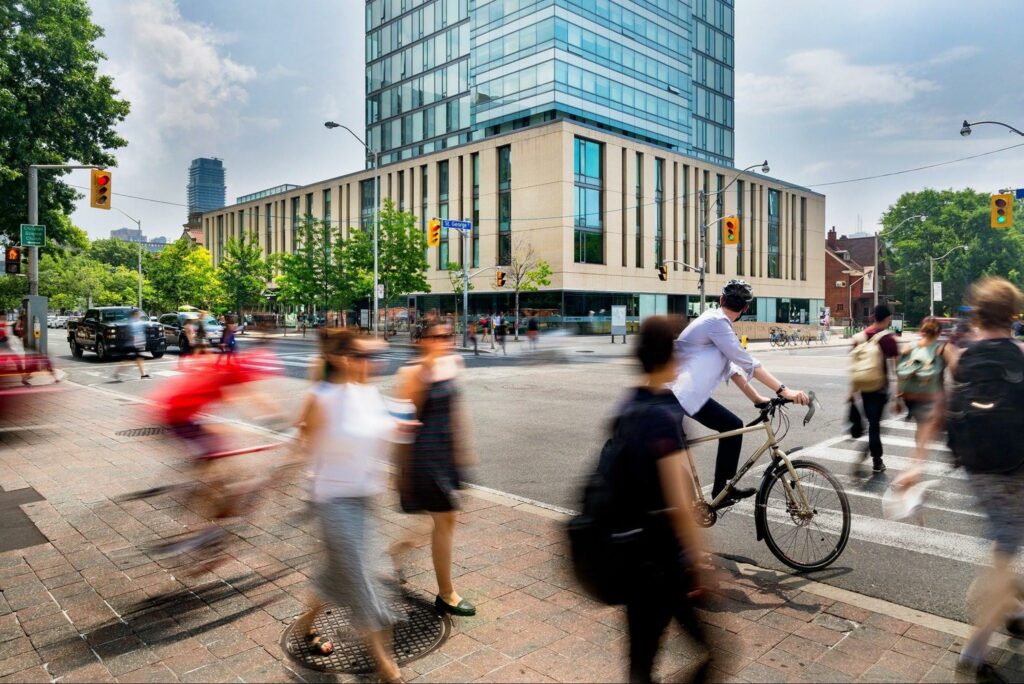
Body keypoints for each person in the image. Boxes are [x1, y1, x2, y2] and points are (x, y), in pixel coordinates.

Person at [291, 330, 405, 683]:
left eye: (373, 357)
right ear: (341, 358)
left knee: (337, 576)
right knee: (365, 580)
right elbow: (305, 441)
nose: (372, 364)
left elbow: (379, 432)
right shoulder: (321, 397)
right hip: (334, 502)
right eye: (363, 356)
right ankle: (388, 670)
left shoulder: (367, 392)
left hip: (364, 500)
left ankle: (304, 625)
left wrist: (399, 427)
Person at [620, 316, 712, 683]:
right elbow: (679, 500)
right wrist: (701, 562)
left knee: (641, 659)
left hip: (630, 551)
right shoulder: (664, 415)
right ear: (670, 356)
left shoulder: (629, 406)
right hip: (662, 559)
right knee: (709, 654)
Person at [942, 278, 1024, 683]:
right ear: (1013, 316)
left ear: (976, 315)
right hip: (1013, 469)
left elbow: (944, 410)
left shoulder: (963, 357)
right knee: (1006, 548)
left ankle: (1014, 608)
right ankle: (973, 652)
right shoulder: (1019, 356)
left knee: (1003, 541)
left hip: (976, 469)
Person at [672, 280, 810, 507]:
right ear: (745, 309)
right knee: (670, 463)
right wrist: (784, 391)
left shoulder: (717, 324)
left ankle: (722, 490)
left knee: (732, 426)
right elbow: (748, 363)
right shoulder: (717, 323)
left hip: (685, 396)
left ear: (721, 300)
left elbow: (734, 368)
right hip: (673, 396)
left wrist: (757, 399)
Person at [391, 321, 478, 617]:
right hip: (424, 456)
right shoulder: (412, 373)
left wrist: (463, 451)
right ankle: (446, 594)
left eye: (448, 335)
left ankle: (394, 556)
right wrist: (399, 469)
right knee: (445, 520)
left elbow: (455, 411)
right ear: (421, 340)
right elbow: (401, 428)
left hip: (445, 454)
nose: (444, 340)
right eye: (436, 336)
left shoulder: (452, 364)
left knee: (438, 521)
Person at [891, 317, 952, 487]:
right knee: (924, 441)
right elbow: (958, 372)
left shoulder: (909, 346)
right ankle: (911, 475)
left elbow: (899, 373)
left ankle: (915, 467)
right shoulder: (941, 349)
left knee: (921, 433)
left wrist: (896, 400)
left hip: (911, 398)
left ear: (922, 330)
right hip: (931, 399)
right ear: (938, 332)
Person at [849, 304, 900, 473]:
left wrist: (851, 391)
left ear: (873, 316)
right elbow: (897, 368)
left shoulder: (860, 336)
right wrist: (898, 394)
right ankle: (876, 460)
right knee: (875, 425)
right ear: (887, 318)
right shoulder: (888, 339)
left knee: (872, 423)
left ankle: (870, 449)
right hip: (879, 388)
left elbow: (853, 364)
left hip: (863, 386)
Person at [114, 309, 151, 381]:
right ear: (134, 314)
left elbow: (141, 333)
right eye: (138, 314)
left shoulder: (138, 322)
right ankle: (117, 373)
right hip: (132, 345)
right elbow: (131, 335)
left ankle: (143, 375)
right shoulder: (132, 323)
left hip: (137, 344)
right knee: (130, 360)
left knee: (139, 359)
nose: (139, 315)